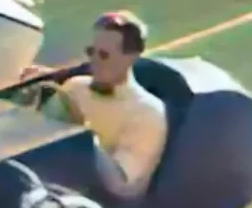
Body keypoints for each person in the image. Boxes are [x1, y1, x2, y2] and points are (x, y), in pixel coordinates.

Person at [25, 11, 168, 195]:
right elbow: (36, 136)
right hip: (45, 183)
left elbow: (119, 184)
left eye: (104, 55)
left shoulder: (148, 113)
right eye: (91, 52)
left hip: (86, 207)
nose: (94, 61)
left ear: (130, 57)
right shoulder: (76, 87)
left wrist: (81, 133)